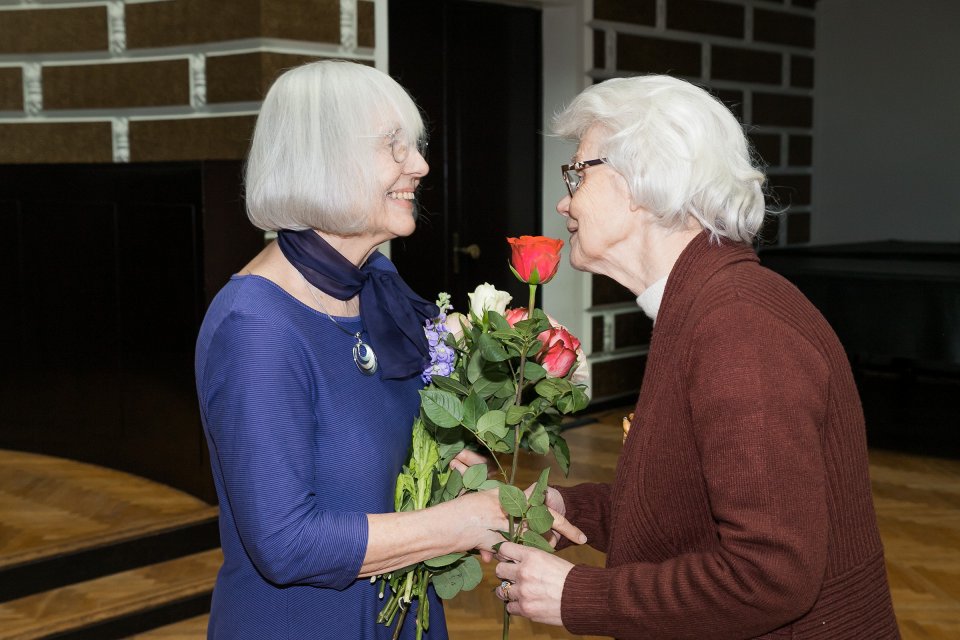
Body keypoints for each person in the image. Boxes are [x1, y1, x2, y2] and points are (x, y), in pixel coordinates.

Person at [493, 75, 900, 639]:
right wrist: (568, 508)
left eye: (577, 173)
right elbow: (687, 508)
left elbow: (770, 576)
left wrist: (579, 594)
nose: (564, 200)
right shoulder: (704, 304)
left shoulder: (738, 327)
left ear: (641, 181)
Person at [194, 60, 582, 639]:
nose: (420, 166)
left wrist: (493, 501)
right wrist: (461, 522)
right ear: (322, 160)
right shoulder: (256, 327)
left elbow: (392, 458)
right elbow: (285, 545)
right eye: (393, 147)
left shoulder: (377, 293)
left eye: (415, 146)